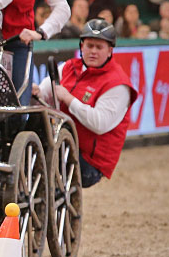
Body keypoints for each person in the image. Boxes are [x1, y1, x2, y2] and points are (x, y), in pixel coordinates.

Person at [34, 19, 138, 187]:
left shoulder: (118, 84)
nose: (93, 52)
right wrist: (37, 92)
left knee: (43, 156)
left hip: (90, 162)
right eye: (89, 46)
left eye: (99, 47)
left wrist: (68, 99)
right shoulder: (69, 67)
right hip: (64, 145)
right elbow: (45, 91)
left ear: (110, 51)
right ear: (82, 46)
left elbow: (100, 124)